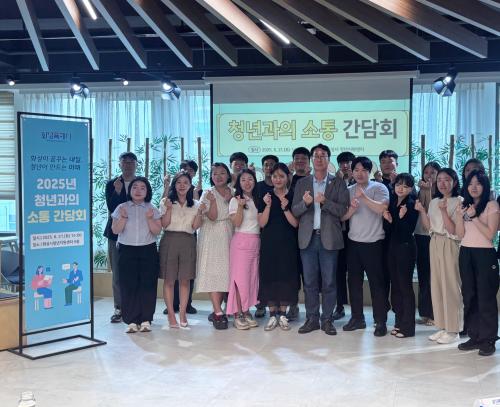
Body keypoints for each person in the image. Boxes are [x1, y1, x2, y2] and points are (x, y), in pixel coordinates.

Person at [292, 144, 349, 336]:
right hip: (307, 239)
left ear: (328, 160)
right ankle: (312, 319)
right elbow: (295, 210)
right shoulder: (302, 183)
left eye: (322, 156)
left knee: (329, 282)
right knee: (309, 282)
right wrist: (305, 203)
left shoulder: (338, 183)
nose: (318, 159)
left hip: (330, 239)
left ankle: (327, 320)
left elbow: (342, 211)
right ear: (311, 159)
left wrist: (325, 202)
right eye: (315, 156)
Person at [341, 156, 390, 337]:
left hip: (374, 243)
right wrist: (352, 209)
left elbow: (382, 209)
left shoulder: (379, 187)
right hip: (353, 243)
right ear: (352, 172)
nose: (360, 174)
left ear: (370, 172)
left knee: (377, 284)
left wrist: (364, 197)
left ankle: (380, 321)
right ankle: (357, 318)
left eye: (364, 170)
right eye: (356, 170)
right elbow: (342, 217)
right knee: (354, 283)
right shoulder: (348, 190)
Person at [415, 168, 463, 344]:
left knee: (451, 286)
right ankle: (442, 326)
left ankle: (454, 329)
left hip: (450, 243)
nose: (442, 183)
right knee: (436, 285)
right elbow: (428, 226)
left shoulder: (459, 201)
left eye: (447, 179)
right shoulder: (434, 202)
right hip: (434, 241)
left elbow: (454, 230)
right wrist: (421, 210)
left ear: (454, 182)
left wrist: (444, 211)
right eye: (440, 180)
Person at [456, 170, 499, 356]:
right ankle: (474, 336)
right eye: (470, 183)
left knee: (486, 297)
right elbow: (460, 234)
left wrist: (473, 217)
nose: (474, 187)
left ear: (485, 186)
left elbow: (490, 234)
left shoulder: (491, 205)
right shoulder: (465, 205)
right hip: (465, 252)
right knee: (469, 296)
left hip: (485, 254)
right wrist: (460, 216)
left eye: (478, 183)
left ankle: (488, 339)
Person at [111, 177, 161, 333]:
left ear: (147, 191)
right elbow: (115, 230)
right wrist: (123, 217)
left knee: (148, 285)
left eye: (142, 188)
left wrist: (150, 218)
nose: (138, 190)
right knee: (128, 285)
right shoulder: (121, 207)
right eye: (135, 187)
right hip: (127, 250)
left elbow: (157, 231)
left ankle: (146, 319)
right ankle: (131, 320)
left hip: (148, 249)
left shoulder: (152, 208)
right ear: (130, 190)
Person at [159, 172, 205, 329]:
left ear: (190, 185)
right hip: (169, 240)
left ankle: (183, 313)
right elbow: (164, 224)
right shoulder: (166, 201)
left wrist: (200, 212)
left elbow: (195, 226)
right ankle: (171, 314)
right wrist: (169, 209)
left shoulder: (196, 204)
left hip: (188, 241)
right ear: (174, 185)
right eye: (179, 182)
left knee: (185, 280)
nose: (182, 185)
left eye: (186, 182)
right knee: (169, 280)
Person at [258, 163, 299, 331]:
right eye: (275, 176)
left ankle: (283, 314)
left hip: (288, 244)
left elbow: (295, 223)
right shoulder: (265, 195)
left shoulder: (293, 195)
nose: (278, 179)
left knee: (286, 276)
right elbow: (262, 223)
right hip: (269, 243)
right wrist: (268, 205)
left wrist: (286, 208)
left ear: (288, 177)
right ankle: (272, 314)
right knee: (269, 276)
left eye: (281, 176)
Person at [195, 163, 234, 330]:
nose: (218, 176)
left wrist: (230, 199)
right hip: (211, 235)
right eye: (215, 173)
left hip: (229, 233)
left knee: (226, 273)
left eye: (222, 173)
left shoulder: (233, 192)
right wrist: (213, 201)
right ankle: (218, 312)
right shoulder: (207, 193)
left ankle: (223, 308)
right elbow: (212, 216)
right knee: (213, 272)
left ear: (228, 175)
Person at [383, 174, 419, 338]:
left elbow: (407, 231)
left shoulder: (411, 204)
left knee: (405, 287)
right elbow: (390, 229)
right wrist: (389, 219)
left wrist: (402, 217)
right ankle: (399, 322)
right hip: (393, 247)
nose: (401, 188)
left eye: (405, 186)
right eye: (398, 185)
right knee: (396, 286)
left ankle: (408, 327)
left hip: (406, 248)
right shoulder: (392, 202)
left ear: (411, 189)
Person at [104, 152, 137, 323]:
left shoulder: (141, 183)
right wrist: (117, 192)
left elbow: (145, 205)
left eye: (131, 162)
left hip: (137, 234)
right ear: (120, 164)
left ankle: (135, 307)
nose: (128, 165)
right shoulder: (112, 184)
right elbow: (111, 208)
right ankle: (119, 308)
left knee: (134, 272)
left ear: (136, 165)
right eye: (125, 162)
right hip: (115, 234)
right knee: (117, 273)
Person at [227, 169, 260, 330]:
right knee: (239, 280)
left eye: (250, 179)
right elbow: (237, 223)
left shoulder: (257, 199)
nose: (247, 182)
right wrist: (240, 206)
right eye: (243, 180)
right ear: (239, 183)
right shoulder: (235, 200)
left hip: (256, 242)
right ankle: (237, 313)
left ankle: (246, 310)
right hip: (241, 242)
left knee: (251, 279)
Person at [414, 161, 440, 326]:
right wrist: (424, 191)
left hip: (435, 236)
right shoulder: (419, 191)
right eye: (426, 172)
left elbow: (431, 211)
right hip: (419, 236)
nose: (429, 176)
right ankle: (424, 312)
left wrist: (428, 190)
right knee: (423, 275)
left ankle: (435, 314)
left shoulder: (441, 193)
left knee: (434, 276)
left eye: (433, 173)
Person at [286, 146, 311, 321]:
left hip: (310, 232)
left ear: (309, 161)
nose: (300, 161)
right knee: (292, 272)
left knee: (310, 274)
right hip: (290, 233)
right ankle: (293, 305)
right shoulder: (287, 180)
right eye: (297, 159)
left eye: (303, 158)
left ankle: (312, 310)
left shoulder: (314, 180)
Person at [254, 154, 279, 318]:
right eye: (266, 165)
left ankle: (283, 305)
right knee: (262, 272)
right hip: (260, 233)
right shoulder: (257, 187)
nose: (269, 167)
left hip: (280, 235)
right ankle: (261, 304)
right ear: (262, 168)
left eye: (272, 164)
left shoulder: (283, 186)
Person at [333, 151, 356, 321]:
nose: (345, 166)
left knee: (354, 273)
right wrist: (339, 182)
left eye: (348, 162)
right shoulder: (334, 182)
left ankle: (356, 310)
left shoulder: (361, 182)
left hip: (357, 234)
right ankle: (339, 306)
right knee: (338, 272)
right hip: (339, 233)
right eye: (342, 163)